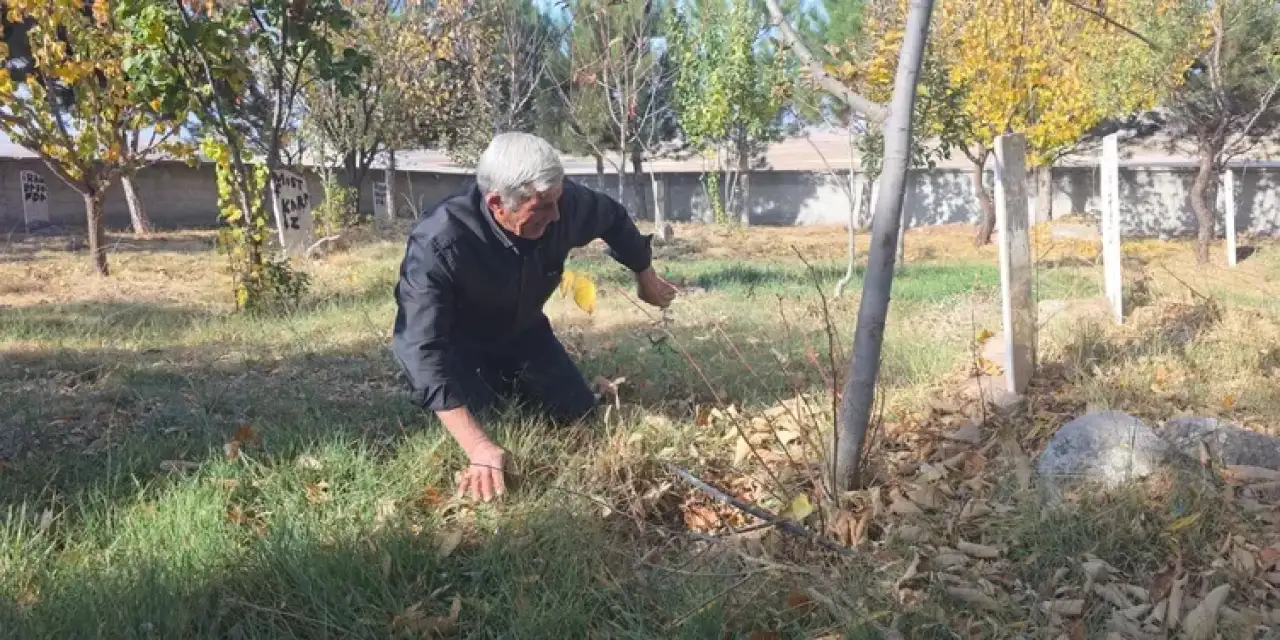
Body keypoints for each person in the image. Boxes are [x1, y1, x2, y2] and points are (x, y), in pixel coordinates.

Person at [391, 132, 678, 503]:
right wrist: (478, 447)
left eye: (557, 203)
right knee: (496, 423)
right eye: (543, 207)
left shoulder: (563, 205)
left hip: (525, 334)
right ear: (497, 203)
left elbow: (614, 219)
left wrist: (645, 275)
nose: (557, 215)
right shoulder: (439, 244)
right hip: (462, 348)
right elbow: (419, 349)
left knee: (578, 414)